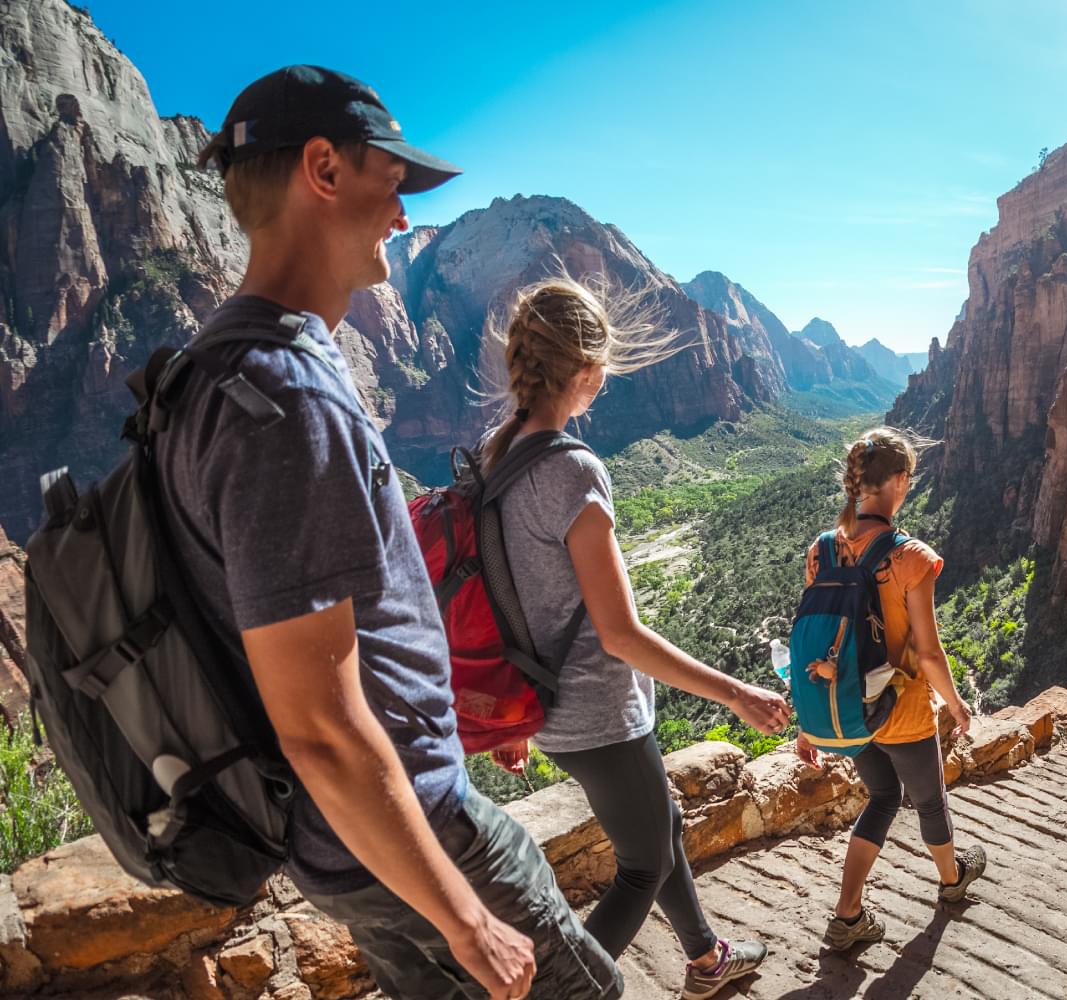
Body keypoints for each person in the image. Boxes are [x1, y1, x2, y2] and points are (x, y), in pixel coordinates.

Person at [172, 66, 614, 999]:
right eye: (394, 183)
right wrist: (466, 919)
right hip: (410, 828)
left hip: (352, 842)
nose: (405, 219)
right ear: (324, 169)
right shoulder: (284, 399)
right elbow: (323, 727)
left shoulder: (205, 371)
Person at [482, 276, 792, 999]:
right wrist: (736, 692)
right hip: (599, 713)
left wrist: (513, 703)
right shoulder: (572, 469)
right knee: (640, 866)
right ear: (587, 374)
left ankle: (706, 957)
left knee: (661, 827)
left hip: (549, 708)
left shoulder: (496, 458)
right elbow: (619, 634)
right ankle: (565, 992)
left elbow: (503, 590)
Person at [794, 428, 989, 950]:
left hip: (849, 712)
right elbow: (927, 651)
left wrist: (807, 719)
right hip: (899, 710)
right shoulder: (912, 558)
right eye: (910, 477)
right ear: (900, 481)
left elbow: (816, 635)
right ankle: (952, 882)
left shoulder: (822, 550)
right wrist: (955, 702)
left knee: (882, 796)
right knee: (930, 800)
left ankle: (848, 913)